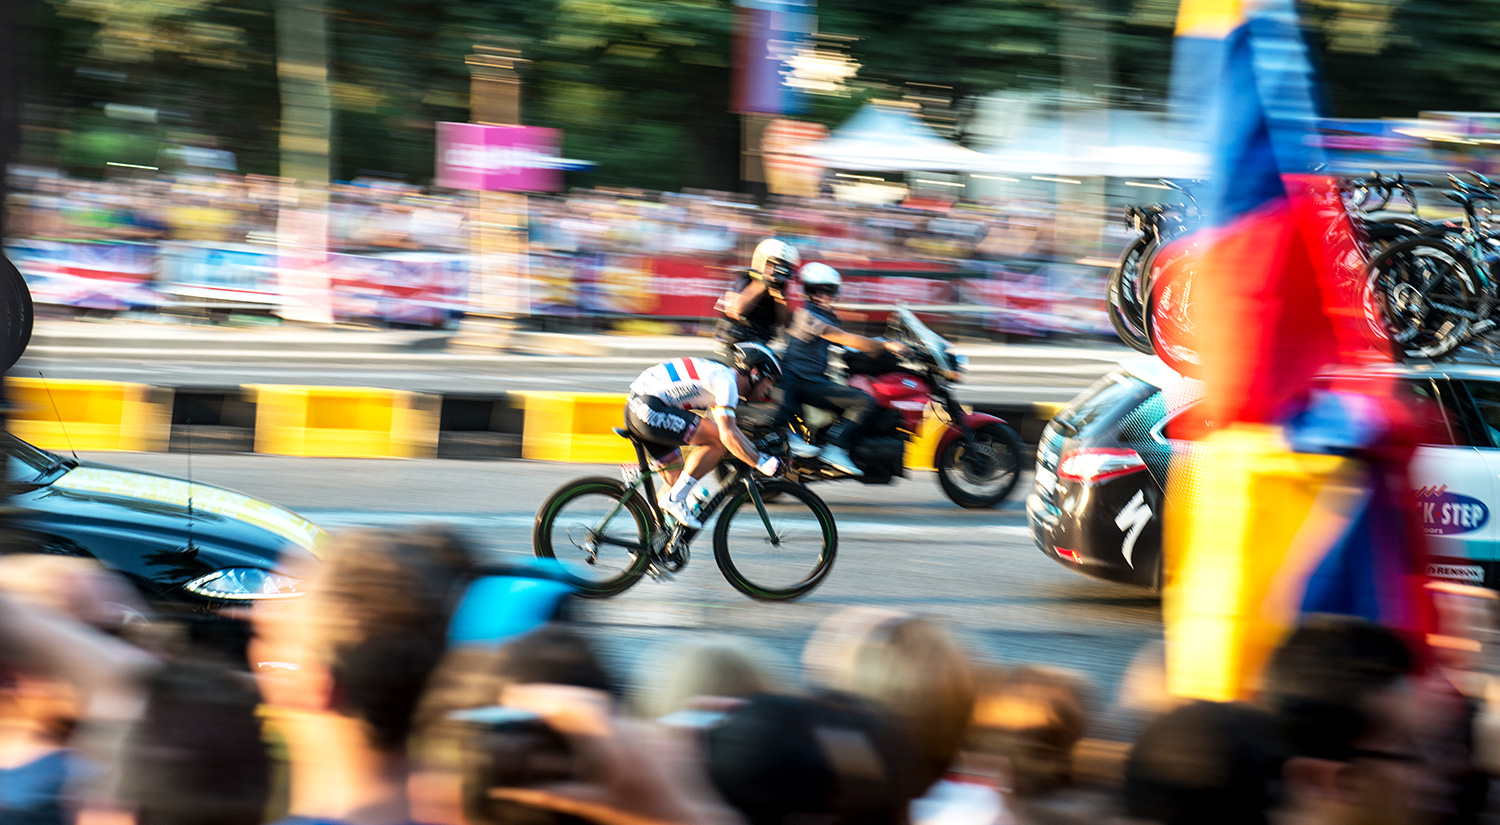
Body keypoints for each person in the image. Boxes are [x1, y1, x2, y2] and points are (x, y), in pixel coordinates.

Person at [624, 341, 784, 529]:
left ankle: (649, 545)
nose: (770, 389)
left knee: (677, 482)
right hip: (648, 409)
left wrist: (754, 451)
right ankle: (675, 499)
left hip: (639, 409)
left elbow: (730, 429)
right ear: (756, 374)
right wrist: (760, 462)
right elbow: (726, 435)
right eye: (770, 381)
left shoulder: (721, 376)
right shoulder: (727, 382)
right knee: (717, 443)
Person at [775, 261, 907, 477]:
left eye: (829, 291)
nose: (823, 296)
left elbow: (846, 346)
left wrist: (884, 343)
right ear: (807, 292)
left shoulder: (826, 316)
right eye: (817, 291)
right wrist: (884, 345)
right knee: (865, 401)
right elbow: (843, 338)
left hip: (813, 379)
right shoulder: (807, 316)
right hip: (803, 381)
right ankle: (835, 447)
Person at [715, 238, 799, 354]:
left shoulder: (779, 289)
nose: (777, 271)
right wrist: (762, 283)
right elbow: (736, 309)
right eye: (774, 265)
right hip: (735, 345)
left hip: (759, 347)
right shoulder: (744, 279)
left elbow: (784, 324)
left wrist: (779, 297)